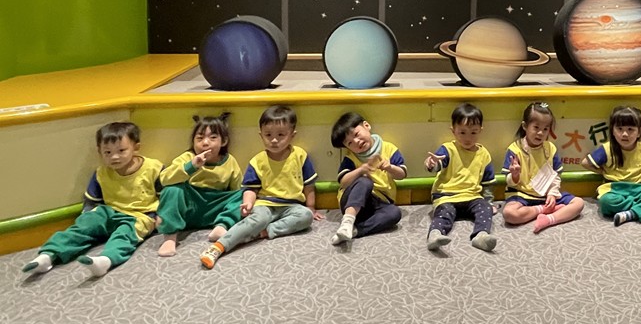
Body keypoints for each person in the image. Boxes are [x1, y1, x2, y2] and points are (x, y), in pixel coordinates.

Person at [22, 121, 162, 278]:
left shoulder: (153, 168)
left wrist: (162, 216)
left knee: (124, 235)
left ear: (136, 148)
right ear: (99, 152)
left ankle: (106, 260)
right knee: (82, 227)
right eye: (107, 152)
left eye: (121, 150)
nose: (114, 157)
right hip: (109, 211)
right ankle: (49, 255)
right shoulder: (101, 173)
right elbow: (91, 201)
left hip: (140, 215)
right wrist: (88, 218)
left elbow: (166, 196)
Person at [199, 105, 323, 268]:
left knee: (305, 216)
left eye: (281, 135)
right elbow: (250, 188)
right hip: (265, 204)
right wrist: (248, 203)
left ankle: (265, 232)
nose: (274, 140)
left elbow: (309, 185)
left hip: (292, 206)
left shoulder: (300, 155)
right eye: (268, 135)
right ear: (261, 135)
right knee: (258, 219)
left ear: (292, 135)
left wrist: (311, 206)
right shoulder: (258, 161)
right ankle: (219, 246)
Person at [155, 112, 243, 257]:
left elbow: (235, 190)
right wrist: (191, 166)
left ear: (224, 141)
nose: (205, 143)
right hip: (190, 208)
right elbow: (164, 179)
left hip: (214, 209)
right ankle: (170, 237)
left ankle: (222, 226)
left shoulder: (230, 161)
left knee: (243, 194)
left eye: (213, 138)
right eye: (200, 138)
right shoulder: (188, 157)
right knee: (172, 190)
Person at [424, 103, 498, 252]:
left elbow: (488, 182)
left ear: (480, 130)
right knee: (444, 214)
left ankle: (481, 236)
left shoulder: (484, 154)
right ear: (453, 131)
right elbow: (438, 164)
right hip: (446, 196)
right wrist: (432, 164)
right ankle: (435, 235)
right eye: (462, 132)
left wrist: (489, 202)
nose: (468, 138)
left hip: (472, 196)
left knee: (485, 210)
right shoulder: (448, 149)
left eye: (473, 132)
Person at [502, 101, 585, 234]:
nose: (540, 133)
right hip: (522, 195)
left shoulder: (550, 148)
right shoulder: (514, 149)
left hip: (547, 195)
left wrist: (552, 193)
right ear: (525, 126)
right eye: (536, 127)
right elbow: (509, 182)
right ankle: (543, 210)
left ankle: (548, 219)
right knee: (509, 214)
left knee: (579, 203)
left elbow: (556, 175)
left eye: (545, 129)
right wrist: (515, 175)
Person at [581, 105, 641, 226]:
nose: (625, 134)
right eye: (620, 129)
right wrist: (602, 172)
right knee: (606, 201)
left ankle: (630, 213)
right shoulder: (607, 148)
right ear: (613, 130)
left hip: (638, 188)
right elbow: (585, 163)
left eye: (630, 129)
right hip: (613, 188)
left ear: (639, 132)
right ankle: (639, 209)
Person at [330, 111, 407, 245]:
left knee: (394, 213)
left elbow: (402, 174)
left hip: (379, 203)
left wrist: (390, 168)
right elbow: (343, 182)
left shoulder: (388, 148)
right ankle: (347, 222)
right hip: (351, 202)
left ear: (366, 126)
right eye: (350, 143)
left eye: (356, 134)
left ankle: (355, 230)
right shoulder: (351, 158)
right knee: (365, 182)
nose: (356, 142)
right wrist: (360, 170)